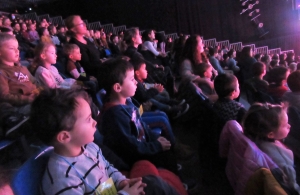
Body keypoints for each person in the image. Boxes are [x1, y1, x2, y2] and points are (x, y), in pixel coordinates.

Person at [29, 88, 147, 195]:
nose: (95, 122)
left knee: (150, 180)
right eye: (88, 119)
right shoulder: (63, 179)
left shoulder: (90, 147)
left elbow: (107, 169)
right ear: (65, 136)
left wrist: (121, 182)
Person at [99, 58, 178, 174]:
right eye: (132, 79)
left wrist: (154, 137)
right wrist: (156, 146)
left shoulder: (127, 102)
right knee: (166, 155)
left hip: (145, 145)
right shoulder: (115, 116)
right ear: (117, 87)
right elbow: (131, 148)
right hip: (137, 157)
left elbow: (141, 124)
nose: (136, 82)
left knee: (166, 147)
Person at [243, 103, 300, 193]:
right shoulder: (284, 161)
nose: (290, 126)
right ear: (270, 134)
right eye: (285, 125)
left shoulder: (256, 136)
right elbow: (292, 186)